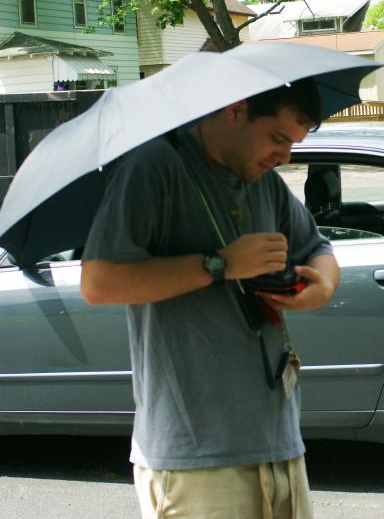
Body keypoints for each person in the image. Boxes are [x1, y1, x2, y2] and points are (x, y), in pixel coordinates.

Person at [80, 78, 339, 519]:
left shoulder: (264, 183)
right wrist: (220, 265)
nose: (285, 157)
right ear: (235, 111)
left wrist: (323, 286)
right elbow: (98, 283)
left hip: (276, 442)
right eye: (278, 138)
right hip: (194, 457)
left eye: (293, 144)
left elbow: (319, 249)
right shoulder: (156, 166)